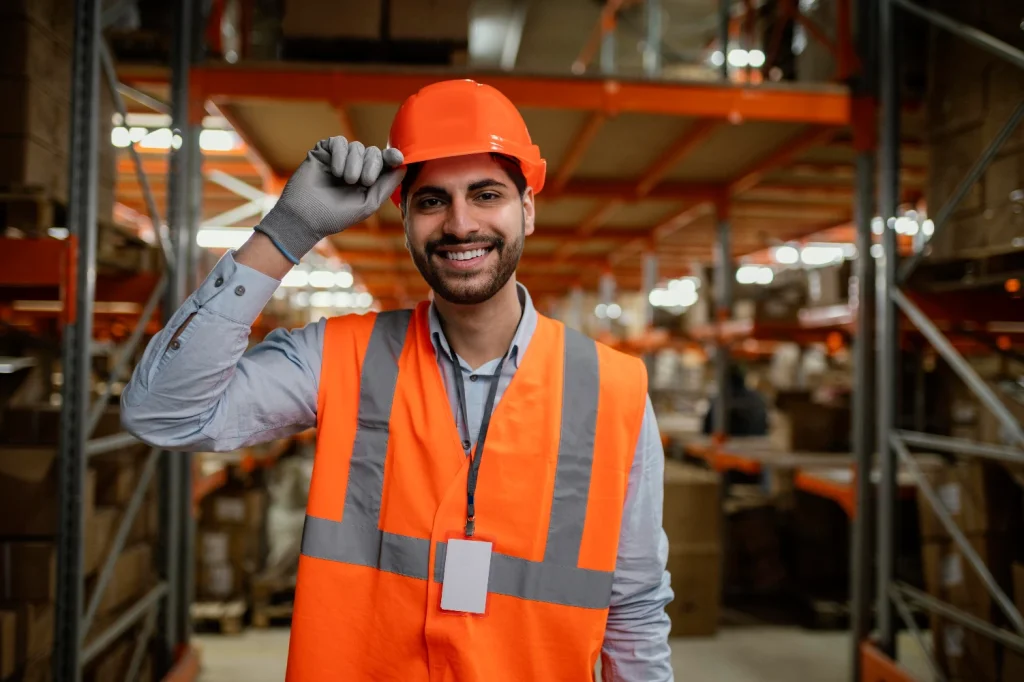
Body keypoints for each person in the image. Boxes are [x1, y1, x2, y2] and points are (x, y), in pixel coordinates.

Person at [122, 79, 673, 681]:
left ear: (528, 209)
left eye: (486, 194)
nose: (460, 224)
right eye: (432, 201)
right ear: (405, 218)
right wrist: (287, 231)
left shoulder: (613, 391)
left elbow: (635, 608)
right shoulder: (340, 357)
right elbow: (162, 412)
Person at [702, 364, 769, 437]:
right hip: (756, 441)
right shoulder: (756, 398)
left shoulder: (720, 400)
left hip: (727, 441)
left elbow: (707, 431)